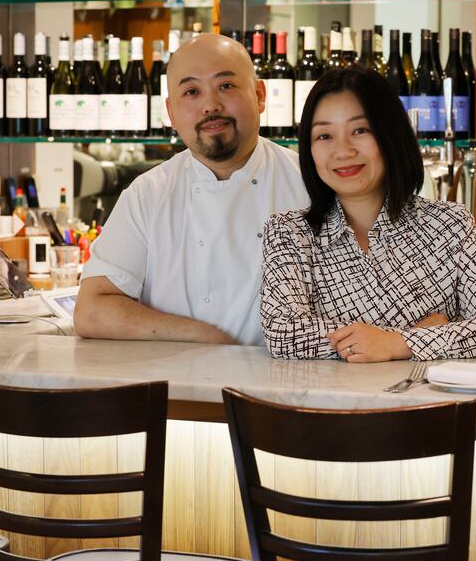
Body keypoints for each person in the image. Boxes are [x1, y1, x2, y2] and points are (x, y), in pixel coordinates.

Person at [261, 67, 476, 362]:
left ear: (390, 134)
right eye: (324, 135)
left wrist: (396, 343)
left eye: (360, 130)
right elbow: (282, 334)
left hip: (430, 404)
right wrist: (421, 335)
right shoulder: (289, 232)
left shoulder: (449, 224)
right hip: (331, 406)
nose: (343, 150)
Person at [74, 33, 308, 343]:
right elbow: (92, 311)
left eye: (226, 86)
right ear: (170, 112)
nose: (211, 105)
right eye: (191, 91)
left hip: (285, 386)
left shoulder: (310, 184)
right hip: (179, 385)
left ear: (260, 95)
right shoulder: (148, 195)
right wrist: (205, 337)